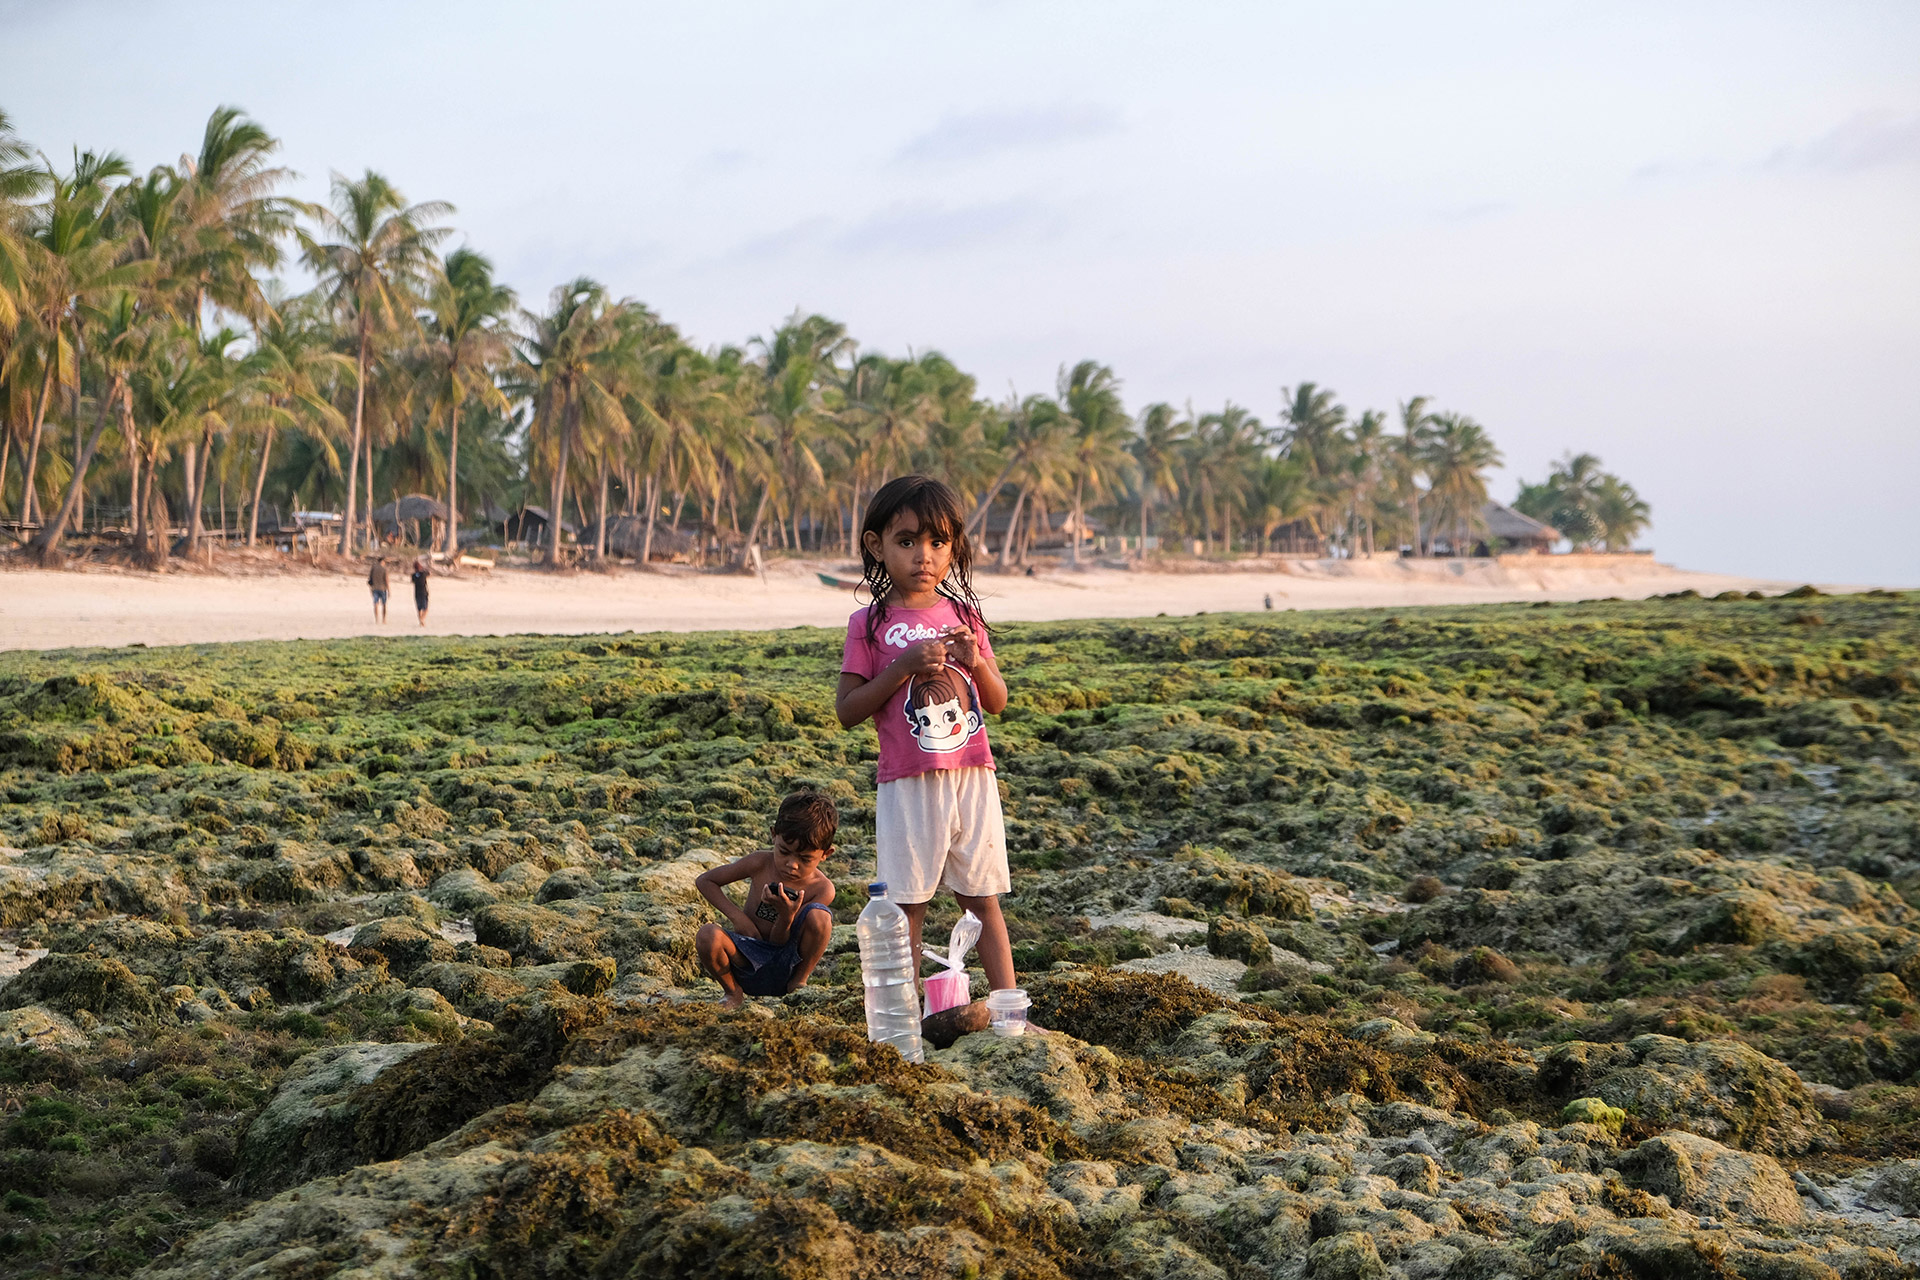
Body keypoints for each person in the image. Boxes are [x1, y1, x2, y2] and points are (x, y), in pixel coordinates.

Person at [836, 474, 1018, 999]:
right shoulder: (868, 624)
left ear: (953, 547)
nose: (925, 556)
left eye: (938, 543)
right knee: (908, 904)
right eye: (907, 541)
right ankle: (908, 1014)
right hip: (908, 784)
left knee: (982, 898)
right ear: (877, 545)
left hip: (973, 776)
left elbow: (999, 700)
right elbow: (848, 710)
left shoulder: (964, 616)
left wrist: (976, 660)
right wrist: (900, 668)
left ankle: (1010, 1007)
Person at [694, 792, 840, 1007]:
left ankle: (800, 982)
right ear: (773, 835)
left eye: (805, 859)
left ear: (826, 853)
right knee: (708, 935)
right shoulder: (759, 863)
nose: (792, 864)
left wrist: (786, 916)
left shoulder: (822, 888)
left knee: (820, 916)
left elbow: (779, 942)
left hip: (786, 964)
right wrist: (739, 919)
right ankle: (733, 992)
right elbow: (705, 881)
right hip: (745, 955)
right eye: (784, 852)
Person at [367, 556, 389, 623]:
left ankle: (376, 619)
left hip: (374, 588)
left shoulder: (373, 568)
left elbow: (370, 579)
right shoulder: (384, 569)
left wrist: (371, 588)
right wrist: (389, 589)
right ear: (382, 561)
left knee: (375, 603)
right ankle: (384, 619)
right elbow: (386, 580)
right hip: (383, 588)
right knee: (384, 604)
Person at [410, 558, 430, 626]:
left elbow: (412, 581)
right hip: (424, 592)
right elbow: (429, 573)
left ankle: (421, 621)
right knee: (425, 608)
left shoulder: (413, 575)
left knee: (419, 609)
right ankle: (422, 620)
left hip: (417, 593)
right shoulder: (423, 573)